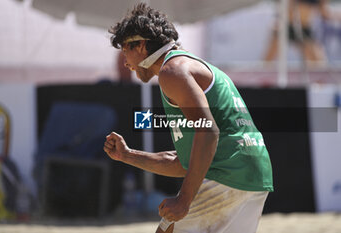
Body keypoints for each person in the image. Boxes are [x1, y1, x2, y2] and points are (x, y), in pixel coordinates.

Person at [104, 3, 273, 233]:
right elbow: (184, 162)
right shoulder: (187, 66)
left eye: (125, 49)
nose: (125, 61)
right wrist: (127, 155)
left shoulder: (171, 72)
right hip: (253, 172)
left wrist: (184, 199)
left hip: (229, 174)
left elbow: (208, 132)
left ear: (141, 45)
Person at [264, 0, 339, 67]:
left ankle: (316, 81)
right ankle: (260, 80)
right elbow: (286, 6)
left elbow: (323, 13)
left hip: (304, 28)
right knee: (267, 61)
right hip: (286, 25)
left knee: (318, 62)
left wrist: (335, 16)